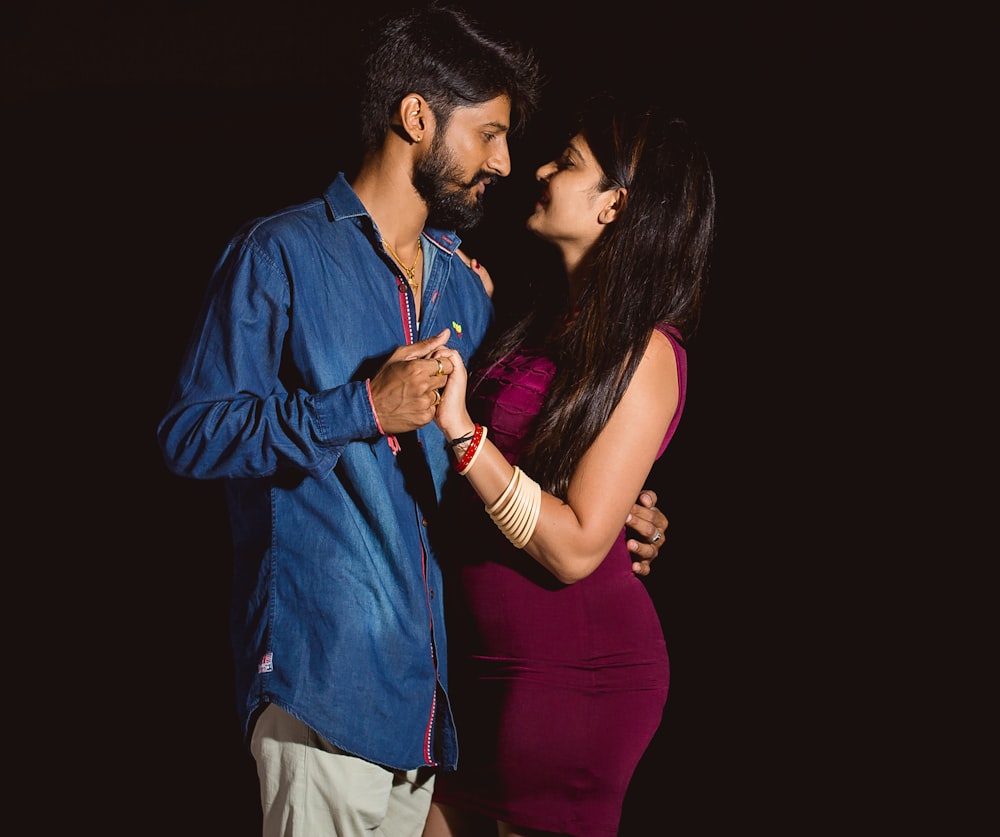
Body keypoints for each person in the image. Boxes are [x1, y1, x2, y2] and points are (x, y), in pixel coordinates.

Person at [156, 5, 669, 836]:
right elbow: (193, 432)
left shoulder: (467, 290)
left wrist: (615, 518)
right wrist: (362, 406)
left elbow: (484, 465)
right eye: (490, 134)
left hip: (428, 714)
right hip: (323, 685)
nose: (505, 163)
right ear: (417, 115)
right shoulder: (278, 254)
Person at [422, 92, 717, 837]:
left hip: (571, 678)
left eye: (568, 162)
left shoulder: (647, 353)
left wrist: (465, 435)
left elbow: (578, 545)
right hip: (483, 673)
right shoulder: (543, 319)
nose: (540, 170)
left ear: (615, 205)